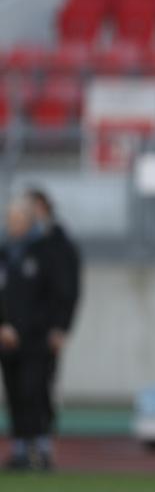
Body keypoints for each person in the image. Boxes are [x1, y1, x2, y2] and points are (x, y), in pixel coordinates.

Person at [0, 198, 67, 471]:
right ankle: (19, 449)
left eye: (17, 221)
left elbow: (55, 296)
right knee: (14, 393)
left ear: (29, 222)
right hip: (6, 339)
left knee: (35, 392)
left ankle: (41, 448)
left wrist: (54, 327)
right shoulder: (4, 253)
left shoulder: (46, 253)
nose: (12, 226)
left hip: (36, 338)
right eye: (10, 220)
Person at [27, 189, 81, 441]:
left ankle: (42, 440)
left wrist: (61, 326)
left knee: (42, 381)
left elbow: (69, 289)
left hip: (47, 326)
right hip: (22, 325)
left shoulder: (60, 243)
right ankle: (25, 442)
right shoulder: (17, 244)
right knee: (21, 386)